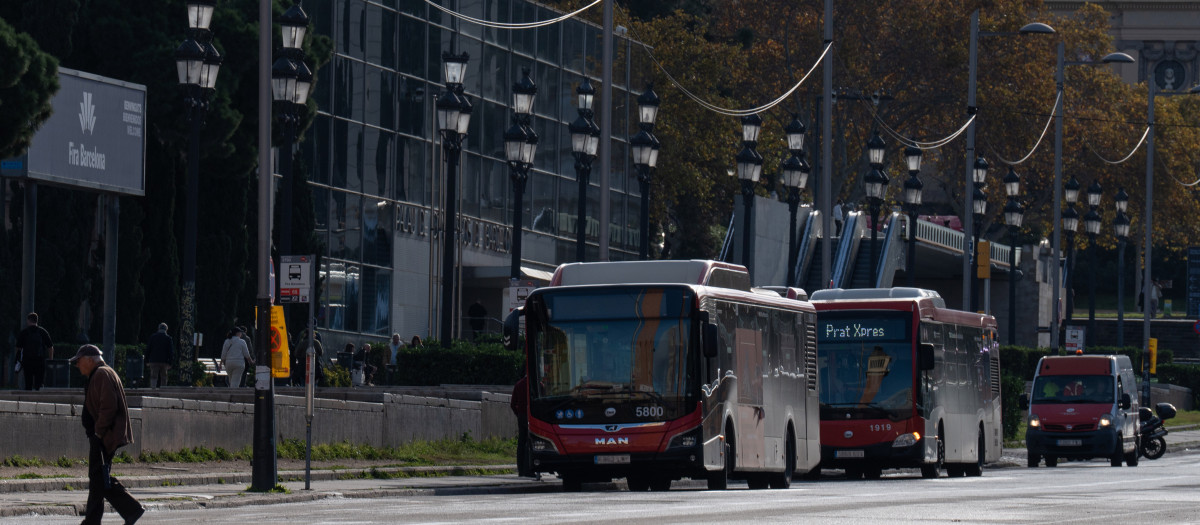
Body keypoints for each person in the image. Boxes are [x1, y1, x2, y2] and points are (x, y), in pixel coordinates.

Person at [70, 344, 144, 524]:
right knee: (98, 479)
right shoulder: (100, 373)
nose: (77, 366)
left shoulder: (102, 374)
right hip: (103, 435)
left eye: (79, 362)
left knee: (100, 478)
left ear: (89, 359)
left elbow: (108, 407)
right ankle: (95, 520)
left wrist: (98, 433)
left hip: (105, 436)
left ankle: (131, 509)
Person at [15, 312, 54, 391]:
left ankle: (28, 400)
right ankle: (38, 400)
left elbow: (18, 347)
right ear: (37, 321)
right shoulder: (43, 332)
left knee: (28, 383)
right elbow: (50, 347)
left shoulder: (24, 332)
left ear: (28, 320)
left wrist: (19, 359)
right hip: (40, 361)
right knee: (38, 385)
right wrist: (50, 359)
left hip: (27, 361)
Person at [510, 374, 532, 477]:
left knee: (521, 442)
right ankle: (528, 469)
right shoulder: (537, 384)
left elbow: (512, 403)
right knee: (530, 442)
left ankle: (521, 469)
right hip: (532, 416)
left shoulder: (518, 384)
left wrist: (518, 413)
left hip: (521, 415)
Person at [144, 323, 174, 388]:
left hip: (153, 360)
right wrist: (170, 363)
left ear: (158, 328)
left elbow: (148, 349)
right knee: (164, 377)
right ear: (166, 329)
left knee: (153, 376)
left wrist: (146, 361)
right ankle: (163, 390)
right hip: (164, 361)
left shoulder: (153, 337)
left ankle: (153, 388)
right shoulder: (168, 338)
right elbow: (170, 352)